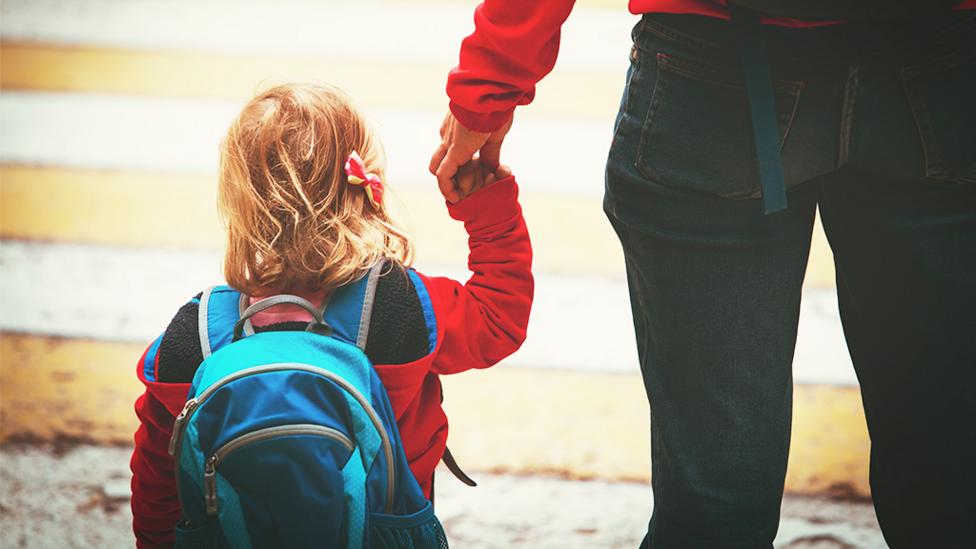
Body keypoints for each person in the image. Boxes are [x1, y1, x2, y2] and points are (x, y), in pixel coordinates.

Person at [431, 2, 976, 548]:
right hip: (940, 67)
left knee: (717, 496)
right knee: (949, 468)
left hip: (716, 66)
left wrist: (489, 86)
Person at [130, 83, 533, 548]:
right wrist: (488, 209)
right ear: (361, 185)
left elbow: (158, 481)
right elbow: (500, 319)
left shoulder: (192, 337)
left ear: (239, 202)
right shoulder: (396, 306)